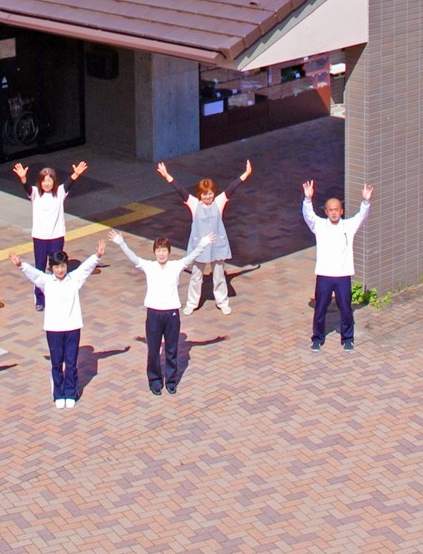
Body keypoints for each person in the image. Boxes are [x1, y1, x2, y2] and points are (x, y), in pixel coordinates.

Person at [110, 228, 211, 396]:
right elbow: (133, 258)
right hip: (154, 315)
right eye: (158, 251)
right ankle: (155, 381)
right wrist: (121, 243)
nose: (161, 254)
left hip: (172, 314)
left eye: (164, 251)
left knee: (171, 350)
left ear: (169, 252)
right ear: (154, 252)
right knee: (153, 350)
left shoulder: (176, 266)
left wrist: (203, 243)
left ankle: (171, 381)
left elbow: (192, 256)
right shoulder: (149, 266)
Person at [156, 157, 252, 314]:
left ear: (214, 193)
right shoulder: (194, 204)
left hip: (217, 245)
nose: (208, 197)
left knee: (219, 276)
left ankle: (222, 302)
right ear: (199, 195)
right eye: (204, 194)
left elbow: (232, 188)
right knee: (196, 276)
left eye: (210, 193)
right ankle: (192, 303)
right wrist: (167, 176)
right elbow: (180, 190)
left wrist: (246, 174)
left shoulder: (219, 202)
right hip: (199, 246)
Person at [19, 239, 106, 408]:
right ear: (51, 268)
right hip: (53, 329)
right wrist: (20, 265)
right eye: (57, 267)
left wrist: (98, 256)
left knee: (71, 363)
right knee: (57, 363)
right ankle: (59, 393)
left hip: (73, 327)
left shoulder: (74, 279)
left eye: (63, 266)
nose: (60, 270)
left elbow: (86, 268)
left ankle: (71, 392)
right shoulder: (46, 281)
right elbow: (33, 274)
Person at [300, 180, 371, 351]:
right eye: (330, 210)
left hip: (343, 275)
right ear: (326, 212)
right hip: (324, 275)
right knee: (320, 308)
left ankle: (347, 338)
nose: (333, 213)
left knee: (346, 309)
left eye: (336, 210)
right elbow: (308, 216)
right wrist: (308, 199)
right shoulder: (320, 225)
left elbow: (361, 216)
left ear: (341, 211)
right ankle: (317, 338)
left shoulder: (348, 226)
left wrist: (366, 202)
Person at [10, 161, 87, 311]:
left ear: (54, 181)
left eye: (50, 180)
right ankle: (39, 298)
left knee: (56, 267)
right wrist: (23, 178)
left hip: (56, 236)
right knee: (39, 268)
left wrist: (76, 174)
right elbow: (26, 187)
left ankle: (55, 296)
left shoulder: (59, 193)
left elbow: (69, 184)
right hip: (39, 237)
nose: (47, 183)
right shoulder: (34, 193)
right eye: (44, 180)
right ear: (39, 182)